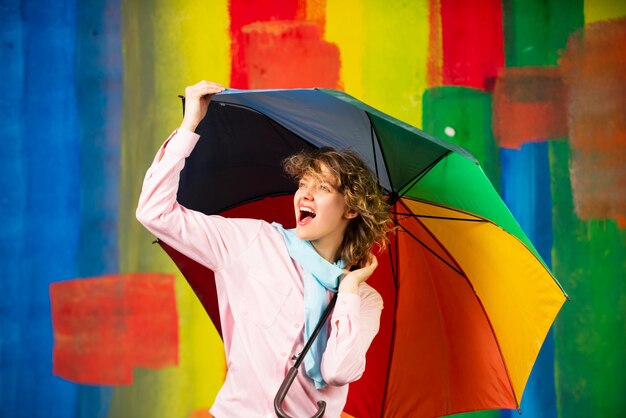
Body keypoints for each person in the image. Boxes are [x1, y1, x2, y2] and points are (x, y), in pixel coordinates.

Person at [136, 81, 392, 418]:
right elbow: (155, 212)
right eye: (303, 185)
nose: (305, 195)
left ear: (351, 208)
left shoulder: (364, 299)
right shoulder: (254, 243)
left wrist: (347, 290)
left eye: (323, 188)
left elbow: (337, 371)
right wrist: (190, 125)